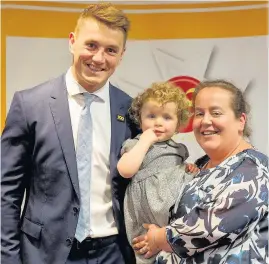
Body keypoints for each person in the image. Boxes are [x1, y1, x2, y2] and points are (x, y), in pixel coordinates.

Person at [1, 3, 139, 264]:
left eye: (111, 50)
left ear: (121, 55)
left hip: (113, 254)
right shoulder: (29, 104)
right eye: (91, 45)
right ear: (72, 42)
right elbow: (6, 192)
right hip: (44, 254)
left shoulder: (131, 110)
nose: (99, 58)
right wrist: (8, 258)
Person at [132, 80, 268, 264]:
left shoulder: (254, 168)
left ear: (240, 121)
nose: (205, 121)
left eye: (216, 113)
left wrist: (157, 238)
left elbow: (207, 225)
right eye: (199, 113)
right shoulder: (199, 165)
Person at [117, 82, 199, 264]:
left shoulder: (179, 150)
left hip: (172, 217)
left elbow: (177, 173)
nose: (158, 122)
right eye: (151, 116)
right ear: (139, 118)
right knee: (145, 252)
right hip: (145, 214)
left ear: (179, 124)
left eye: (167, 117)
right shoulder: (136, 144)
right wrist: (145, 141)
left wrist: (188, 169)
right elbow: (125, 170)